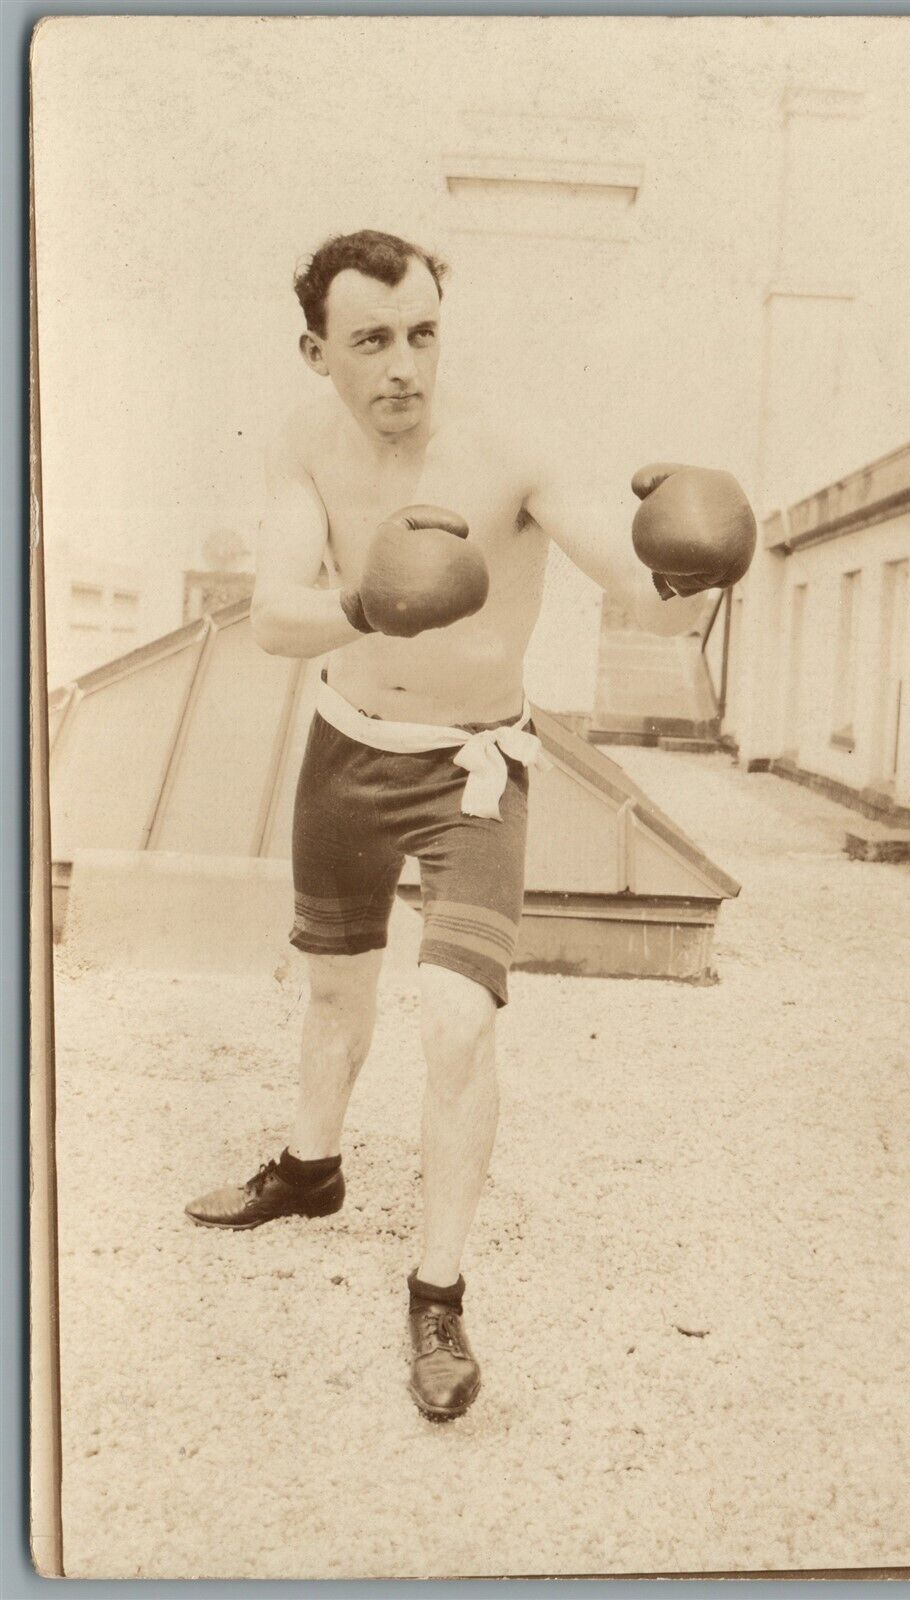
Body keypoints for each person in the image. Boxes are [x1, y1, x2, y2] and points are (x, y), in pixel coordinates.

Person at [185, 229, 755, 1421]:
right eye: (372, 339)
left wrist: (689, 563)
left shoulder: (512, 449)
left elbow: (642, 603)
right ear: (317, 351)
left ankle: (437, 1291)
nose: (404, 364)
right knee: (336, 992)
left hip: (475, 770)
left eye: (424, 333)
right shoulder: (304, 443)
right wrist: (362, 600)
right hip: (347, 747)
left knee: (455, 1022)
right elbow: (274, 621)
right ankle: (311, 1166)